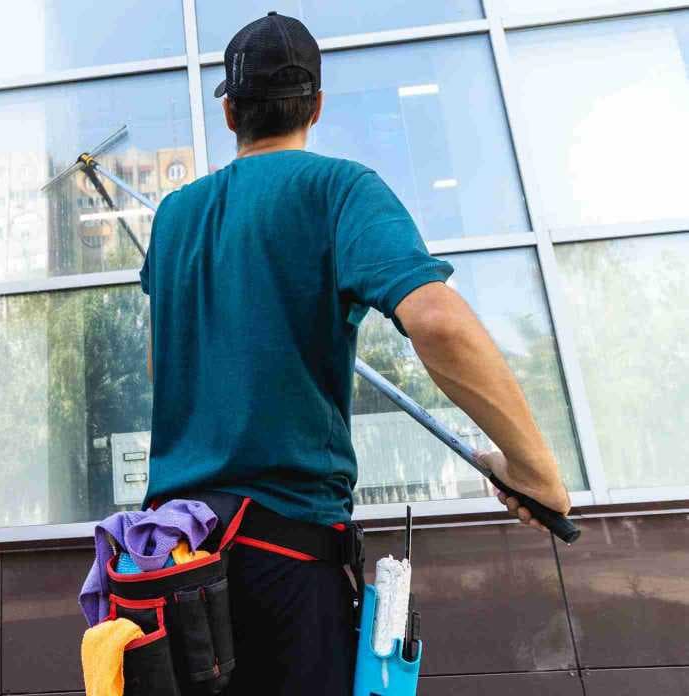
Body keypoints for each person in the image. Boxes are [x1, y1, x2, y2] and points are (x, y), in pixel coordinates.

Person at [138, 11, 571, 696]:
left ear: (230, 113)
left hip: (174, 572)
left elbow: (165, 374)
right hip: (287, 564)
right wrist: (533, 468)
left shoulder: (172, 219)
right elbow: (439, 321)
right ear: (315, 105)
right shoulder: (339, 189)